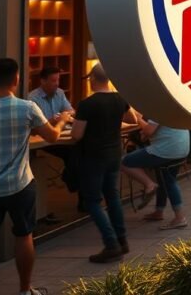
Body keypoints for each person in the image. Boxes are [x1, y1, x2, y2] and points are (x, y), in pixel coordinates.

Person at [0, 58, 70, 295]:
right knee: (23, 235)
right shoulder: (27, 108)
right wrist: (61, 121)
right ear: (17, 80)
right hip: (19, 184)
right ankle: (24, 289)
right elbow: (52, 136)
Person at [70, 63, 138, 263]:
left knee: (92, 201)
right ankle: (122, 240)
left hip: (94, 157)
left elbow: (76, 134)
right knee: (113, 197)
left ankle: (111, 244)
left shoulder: (87, 104)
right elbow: (133, 119)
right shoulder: (119, 99)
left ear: (92, 79)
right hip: (114, 154)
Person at [120, 115, 190, 231]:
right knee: (164, 179)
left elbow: (149, 131)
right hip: (180, 148)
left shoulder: (158, 109)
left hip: (167, 149)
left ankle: (179, 217)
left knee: (125, 162)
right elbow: (151, 132)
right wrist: (145, 131)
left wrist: (138, 119)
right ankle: (159, 211)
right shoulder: (171, 107)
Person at [26, 66, 77, 222]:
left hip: (60, 134)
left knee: (80, 149)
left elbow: (71, 111)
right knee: (72, 153)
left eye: (58, 80)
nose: (57, 84)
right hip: (44, 138)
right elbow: (36, 127)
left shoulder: (59, 93)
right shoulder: (33, 99)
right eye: (53, 80)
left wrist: (65, 115)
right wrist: (53, 121)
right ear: (43, 81)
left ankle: (75, 184)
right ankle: (72, 180)